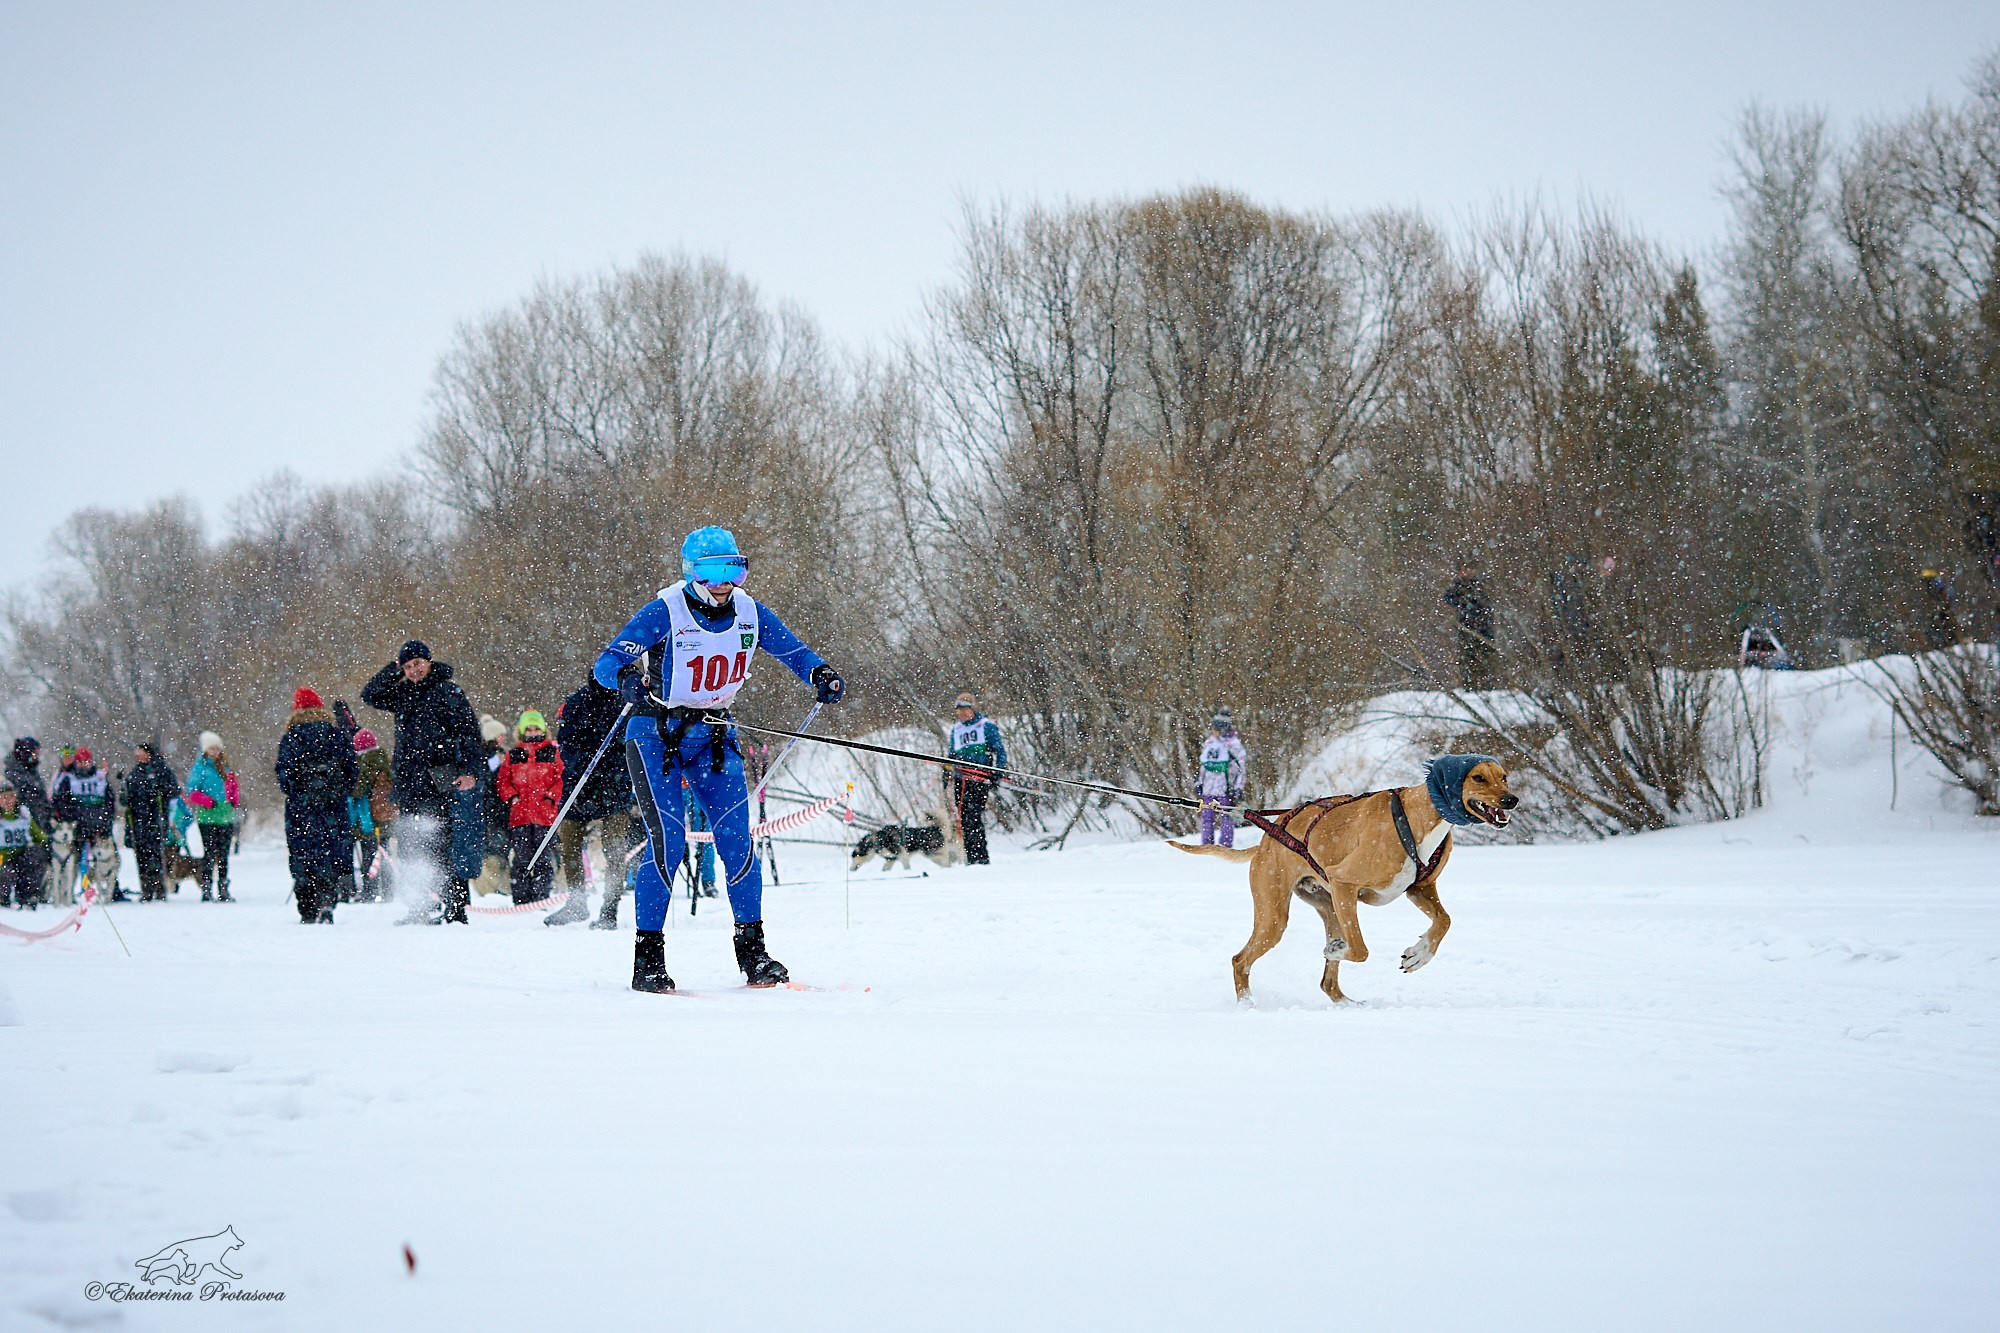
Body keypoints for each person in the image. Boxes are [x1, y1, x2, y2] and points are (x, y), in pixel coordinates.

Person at [593, 525, 843, 993]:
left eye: (734, 569)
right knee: (668, 841)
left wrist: (820, 672)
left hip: (712, 734)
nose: (724, 582)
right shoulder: (664, 610)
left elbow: (793, 650)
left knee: (737, 842)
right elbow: (606, 665)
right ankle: (648, 960)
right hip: (655, 734)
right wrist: (626, 681)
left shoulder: (750, 612)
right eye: (712, 573)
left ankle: (754, 954)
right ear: (691, 573)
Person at [360, 640, 483, 925]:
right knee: (413, 848)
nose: (414, 670)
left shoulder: (448, 691)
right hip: (408, 783)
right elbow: (370, 695)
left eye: (417, 664)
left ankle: (455, 907)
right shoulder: (402, 693)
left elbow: (469, 733)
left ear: (429, 662)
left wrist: (470, 770)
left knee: (444, 844)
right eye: (408, 666)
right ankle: (420, 904)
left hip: (440, 782)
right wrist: (392, 670)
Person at [555, 672, 639, 930]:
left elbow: (634, 743)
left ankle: (609, 907)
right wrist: (582, 762)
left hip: (615, 786)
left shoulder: (630, 702)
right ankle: (576, 901)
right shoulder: (578, 701)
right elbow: (566, 741)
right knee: (569, 840)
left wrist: (614, 766)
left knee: (614, 848)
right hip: (581, 783)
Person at [275, 687, 358, 923]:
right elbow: (351, 770)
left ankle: (307, 907)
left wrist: (298, 791)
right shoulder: (336, 734)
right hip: (333, 807)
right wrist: (340, 791)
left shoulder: (291, 738)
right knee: (331, 852)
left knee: (304, 854)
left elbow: (284, 776)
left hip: (302, 809)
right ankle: (327, 899)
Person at [494, 710, 564, 907]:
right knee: (522, 857)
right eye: (529, 729)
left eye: (536, 728)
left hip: (545, 815)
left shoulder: (552, 752)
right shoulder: (514, 754)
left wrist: (551, 798)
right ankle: (521, 899)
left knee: (542, 858)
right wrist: (512, 797)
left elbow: (560, 779)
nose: (532, 732)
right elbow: (503, 781)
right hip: (520, 815)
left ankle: (541, 898)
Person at [51, 746, 120, 903]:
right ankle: (70, 892)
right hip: (78, 828)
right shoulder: (68, 777)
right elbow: (60, 801)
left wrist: (106, 821)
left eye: (86, 761)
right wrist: (72, 818)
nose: (83, 764)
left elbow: (109, 801)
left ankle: (109, 891)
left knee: (107, 859)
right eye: (80, 761)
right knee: (75, 862)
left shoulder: (99, 776)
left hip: (98, 826)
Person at [946, 693, 1007, 866]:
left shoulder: (985, 726)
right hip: (961, 778)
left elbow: (1000, 751)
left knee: (973, 816)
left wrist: (998, 772)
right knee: (963, 819)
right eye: (959, 710)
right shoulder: (956, 729)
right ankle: (971, 857)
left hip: (979, 778)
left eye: (966, 709)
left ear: (973, 708)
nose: (963, 713)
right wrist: (947, 771)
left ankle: (981, 857)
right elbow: (951, 755)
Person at [183, 731, 238, 902]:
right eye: (211, 749)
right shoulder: (200, 768)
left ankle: (223, 887)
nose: (214, 752)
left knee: (223, 853)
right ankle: (206, 887)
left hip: (225, 815)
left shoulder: (226, 767)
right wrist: (208, 801)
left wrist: (233, 799)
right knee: (209, 852)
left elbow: (233, 786)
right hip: (208, 816)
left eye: (217, 748)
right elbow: (192, 791)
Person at [122, 740, 181, 902]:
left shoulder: (160, 770)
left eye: (141, 752)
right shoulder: (134, 773)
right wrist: (125, 793)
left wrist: (159, 790)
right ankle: (146, 888)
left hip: (155, 818)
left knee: (156, 854)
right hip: (138, 820)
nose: (138, 755)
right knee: (141, 855)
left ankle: (159, 887)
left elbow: (173, 790)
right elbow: (126, 797)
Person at [349, 728, 396, 901]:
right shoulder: (386, 762)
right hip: (387, 817)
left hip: (368, 820)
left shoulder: (363, 765)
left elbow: (357, 792)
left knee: (369, 855)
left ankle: (370, 891)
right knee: (385, 853)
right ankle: (389, 891)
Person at [1195, 710, 1249, 847]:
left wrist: (1238, 787)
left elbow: (1241, 769)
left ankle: (1225, 845)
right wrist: (1199, 782)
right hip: (1208, 788)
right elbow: (1204, 765)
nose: (1213, 731)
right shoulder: (1210, 743)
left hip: (1226, 788)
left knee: (1226, 817)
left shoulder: (1234, 745)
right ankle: (1207, 845)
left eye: (1215, 729)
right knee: (1207, 817)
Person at [1442, 562, 1499, 690]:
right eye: (1463, 570)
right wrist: (1462, 602)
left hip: (1484, 626)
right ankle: (1470, 685)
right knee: (1468, 657)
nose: (1466, 572)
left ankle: (1487, 685)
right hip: (1466, 626)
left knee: (1486, 657)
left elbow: (1487, 601)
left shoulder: (1481, 584)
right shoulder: (1458, 586)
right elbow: (1448, 598)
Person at [0, 778, 52, 909]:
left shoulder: (23, 813)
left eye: (11, 796)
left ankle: (29, 896)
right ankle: (2, 898)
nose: (8, 800)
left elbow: (36, 833)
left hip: (21, 854)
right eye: (4, 797)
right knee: (5, 873)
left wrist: (48, 841)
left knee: (35, 855)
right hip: (2, 857)